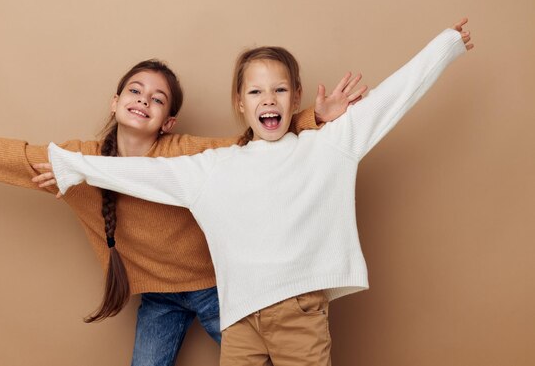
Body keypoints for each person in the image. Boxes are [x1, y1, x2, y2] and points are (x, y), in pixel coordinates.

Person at [41, 19, 473, 365]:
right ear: (240, 104)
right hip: (239, 318)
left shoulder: (327, 146)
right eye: (256, 91)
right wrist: (71, 166)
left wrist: (446, 45)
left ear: (295, 97)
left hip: (298, 313)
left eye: (280, 90)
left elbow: (392, 99)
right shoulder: (215, 167)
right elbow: (143, 175)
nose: (269, 99)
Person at [0, 58, 364, 365]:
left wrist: (313, 119)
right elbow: (12, 156)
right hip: (158, 298)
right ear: (115, 102)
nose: (144, 99)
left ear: (167, 122)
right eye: (135, 89)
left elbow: (250, 144)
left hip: (215, 288)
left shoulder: (185, 154)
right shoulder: (78, 163)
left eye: (158, 98)